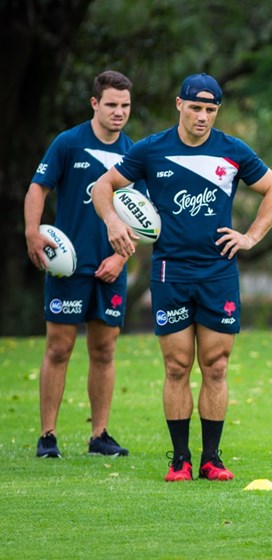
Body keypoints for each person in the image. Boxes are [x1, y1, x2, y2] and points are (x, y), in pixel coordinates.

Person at [91, 73, 272, 482]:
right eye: (195, 108)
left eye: (210, 110)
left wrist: (251, 236)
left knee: (215, 366)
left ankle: (211, 459)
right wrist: (113, 223)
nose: (202, 117)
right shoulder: (151, 149)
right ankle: (179, 459)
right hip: (170, 272)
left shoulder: (233, 151)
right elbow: (103, 187)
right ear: (179, 105)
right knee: (177, 367)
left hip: (218, 272)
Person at [24, 70, 138, 459]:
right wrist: (31, 231)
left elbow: (143, 216)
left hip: (109, 267)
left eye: (125, 105)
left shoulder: (134, 153)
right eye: (111, 104)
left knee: (104, 350)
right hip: (67, 266)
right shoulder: (68, 143)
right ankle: (48, 437)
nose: (119, 112)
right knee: (59, 347)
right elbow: (38, 187)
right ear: (94, 103)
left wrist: (121, 257)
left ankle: (100, 436)